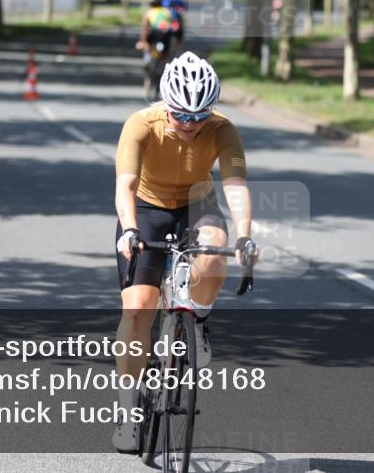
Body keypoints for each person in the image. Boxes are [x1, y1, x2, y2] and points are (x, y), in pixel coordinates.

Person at [111, 51, 258, 452]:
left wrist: (244, 235)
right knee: (139, 308)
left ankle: (198, 321)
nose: (191, 125)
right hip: (145, 208)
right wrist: (128, 230)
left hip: (197, 203)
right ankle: (128, 414)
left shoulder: (223, 128)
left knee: (215, 252)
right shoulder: (141, 125)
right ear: (166, 105)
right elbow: (125, 186)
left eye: (200, 116)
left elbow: (236, 186)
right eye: (181, 116)